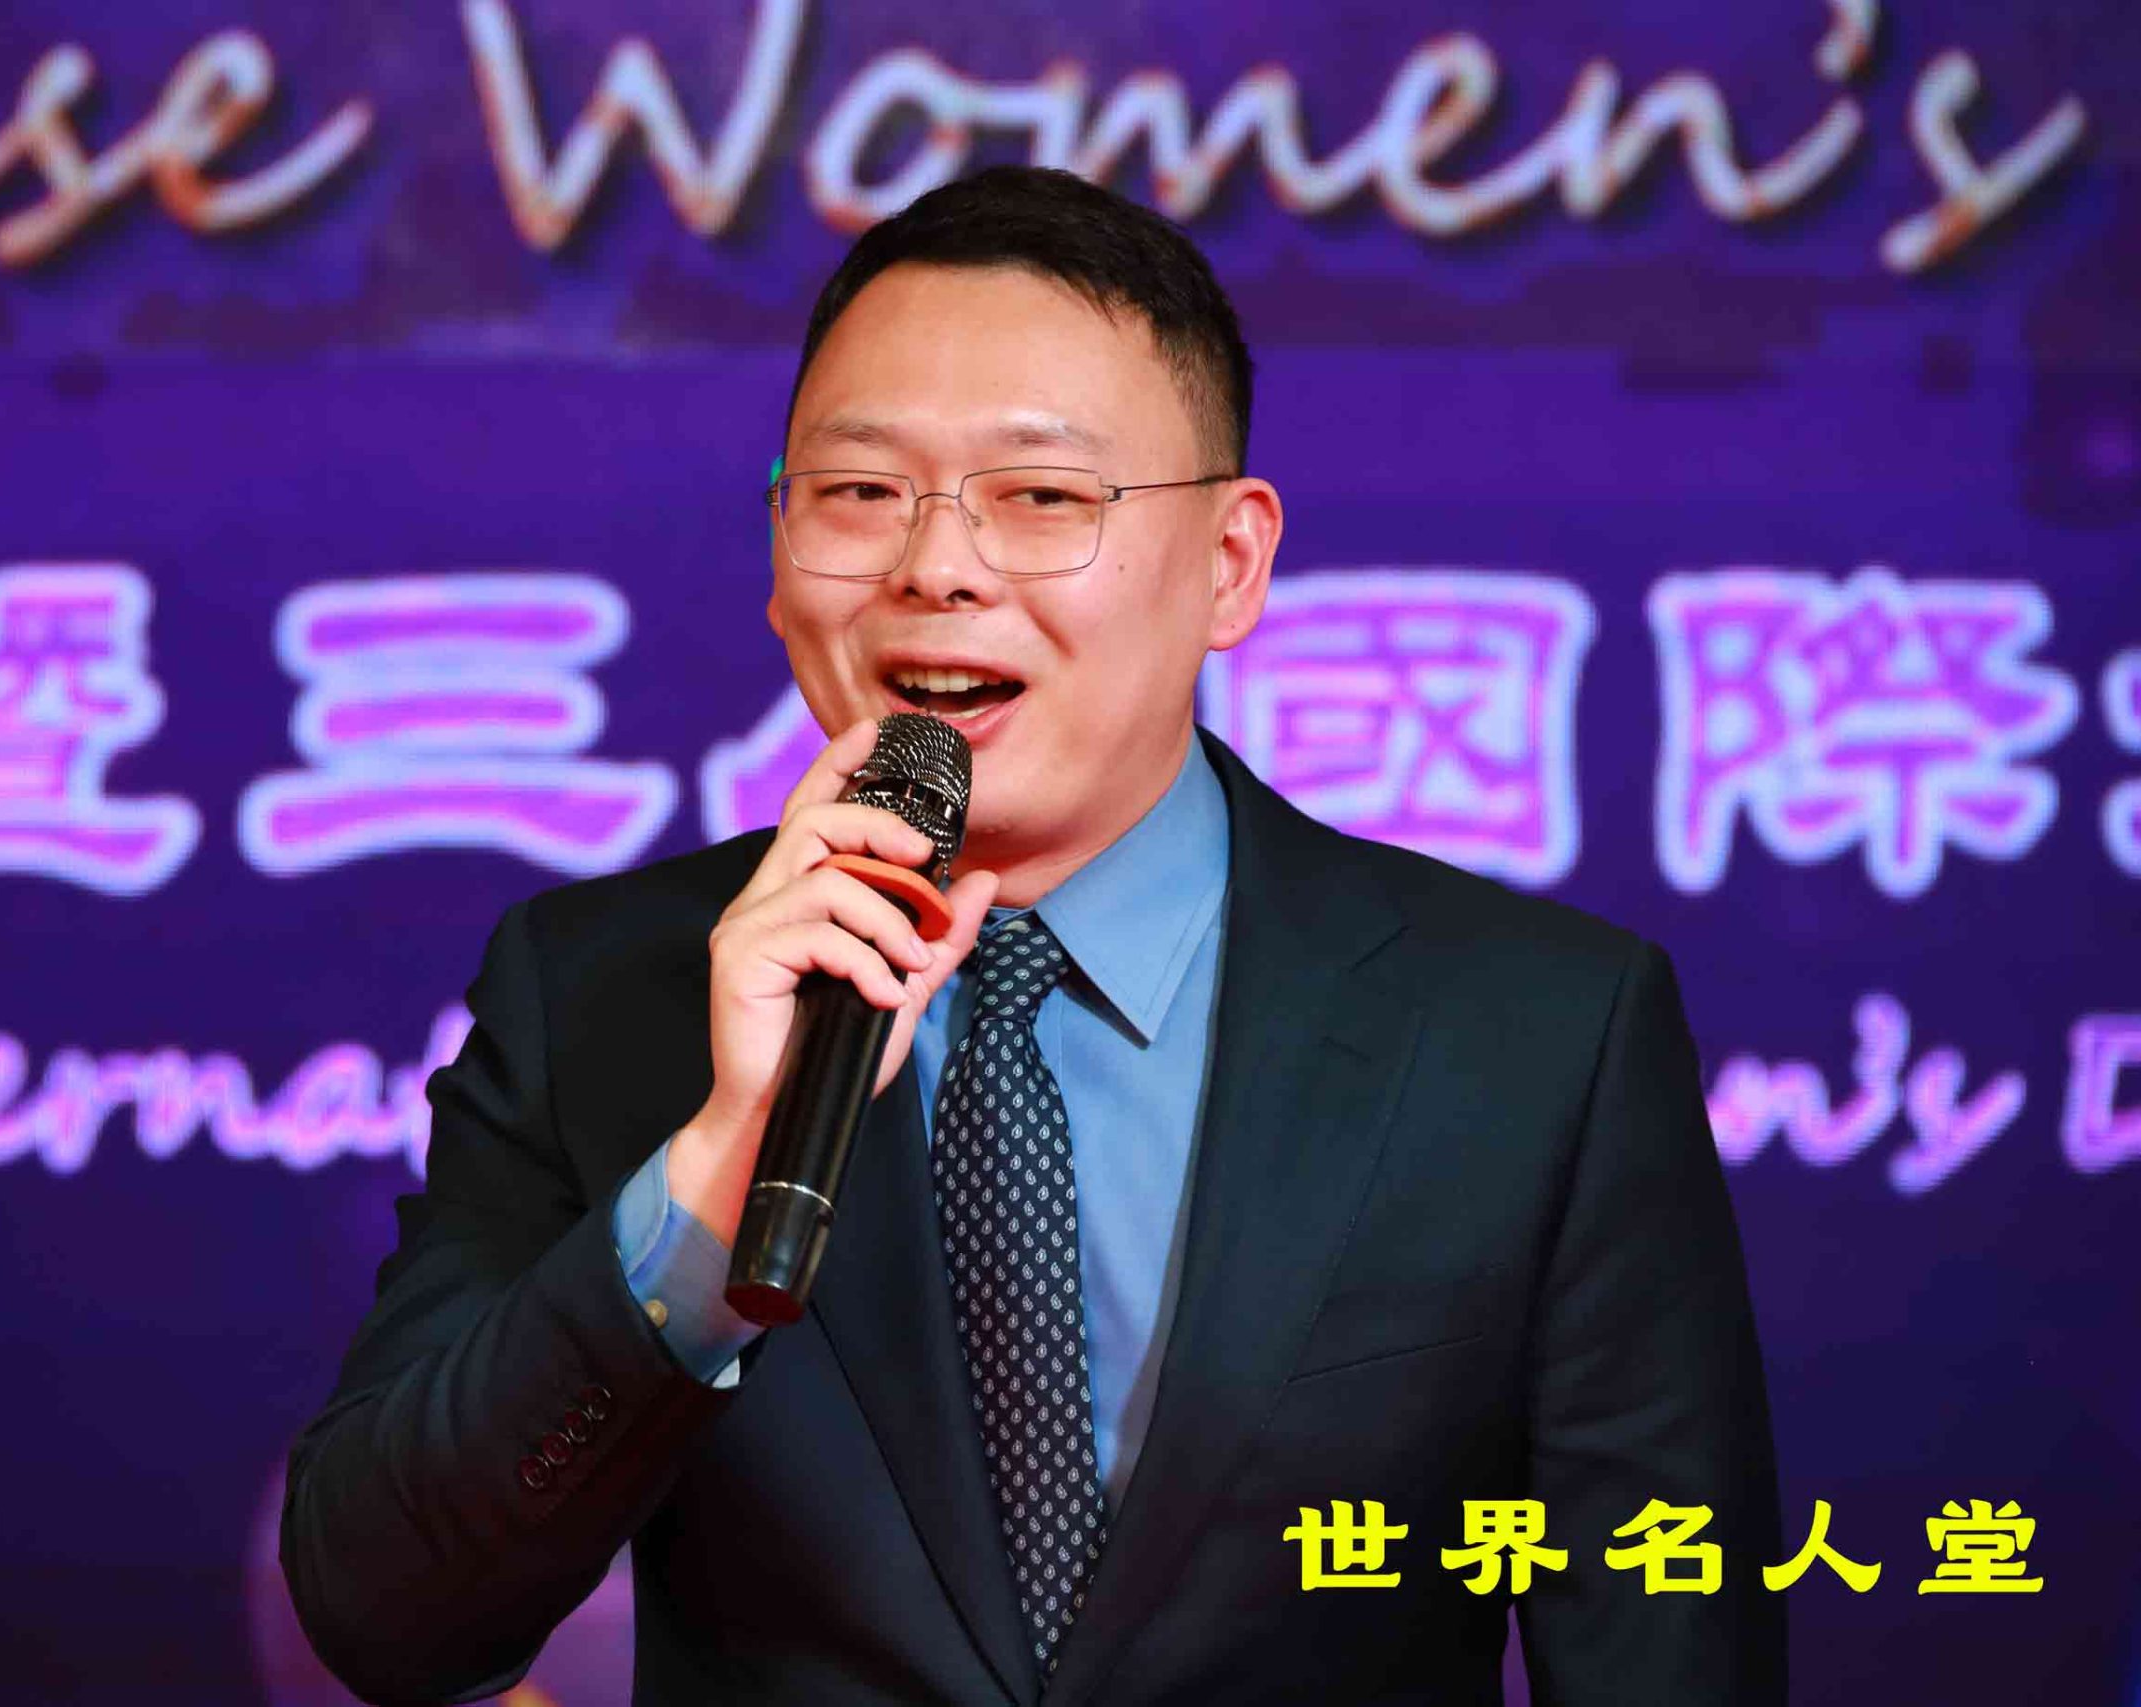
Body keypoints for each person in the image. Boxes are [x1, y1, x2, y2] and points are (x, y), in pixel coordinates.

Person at [280, 165, 1784, 1706]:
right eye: (861, 493)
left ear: (1230, 565)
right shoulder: (599, 991)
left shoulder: (1537, 1036)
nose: (936, 566)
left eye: (1042, 498)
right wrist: (717, 1185)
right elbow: (390, 1616)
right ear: (780, 546)